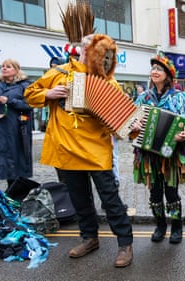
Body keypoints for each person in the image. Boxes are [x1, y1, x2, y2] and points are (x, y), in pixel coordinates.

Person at [24, 33, 134, 268]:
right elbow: (30, 94)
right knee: (79, 199)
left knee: (110, 198)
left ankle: (125, 243)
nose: (91, 56)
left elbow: (120, 124)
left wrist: (127, 125)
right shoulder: (59, 73)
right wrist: (48, 94)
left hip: (96, 151)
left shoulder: (107, 80)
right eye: (89, 52)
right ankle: (89, 238)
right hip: (67, 149)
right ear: (82, 51)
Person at [131, 52, 185, 244]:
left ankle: (176, 227)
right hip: (148, 153)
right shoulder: (143, 97)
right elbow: (130, 122)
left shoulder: (179, 96)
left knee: (172, 192)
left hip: (171, 153)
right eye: (153, 68)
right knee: (155, 193)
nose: (155, 71)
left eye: (159, 69)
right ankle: (160, 225)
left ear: (168, 74)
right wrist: (134, 126)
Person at [0, 59, 33, 191]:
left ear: (16, 70)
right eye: (3, 66)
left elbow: (30, 104)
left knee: (18, 159)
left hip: (17, 128)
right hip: (0, 128)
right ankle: (10, 192)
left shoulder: (25, 85)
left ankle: (19, 192)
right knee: (4, 159)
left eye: (8, 66)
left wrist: (10, 101)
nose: (4, 69)